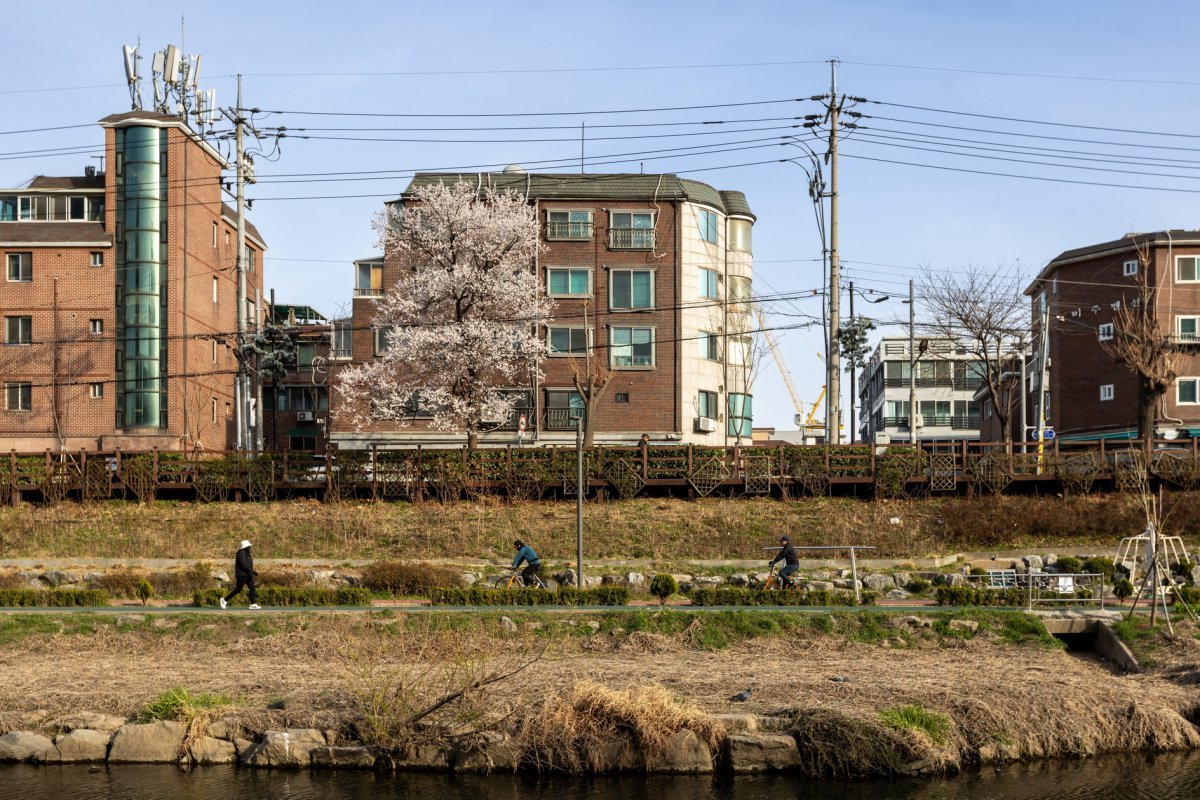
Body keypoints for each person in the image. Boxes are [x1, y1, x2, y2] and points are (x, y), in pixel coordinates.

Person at [220, 539, 260, 609]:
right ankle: (224, 600)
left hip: (248, 574)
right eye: (249, 546)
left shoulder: (246, 553)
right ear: (245, 547)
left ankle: (253, 604)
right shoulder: (241, 553)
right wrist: (251, 571)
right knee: (238, 589)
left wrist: (252, 572)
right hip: (242, 575)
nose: (250, 547)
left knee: (252, 589)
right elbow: (243, 565)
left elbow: (247, 564)